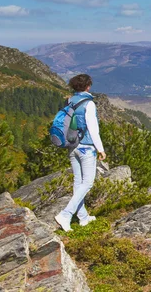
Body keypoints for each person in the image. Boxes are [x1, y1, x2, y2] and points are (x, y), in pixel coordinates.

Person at [54, 74, 106, 232]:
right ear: (88, 86)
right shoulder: (88, 104)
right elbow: (93, 129)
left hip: (72, 145)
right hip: (86, 147)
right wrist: (100, 149)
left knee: (78, 182)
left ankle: (83, 217)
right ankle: (66, 214)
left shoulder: (70, 101)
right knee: (88, 183)